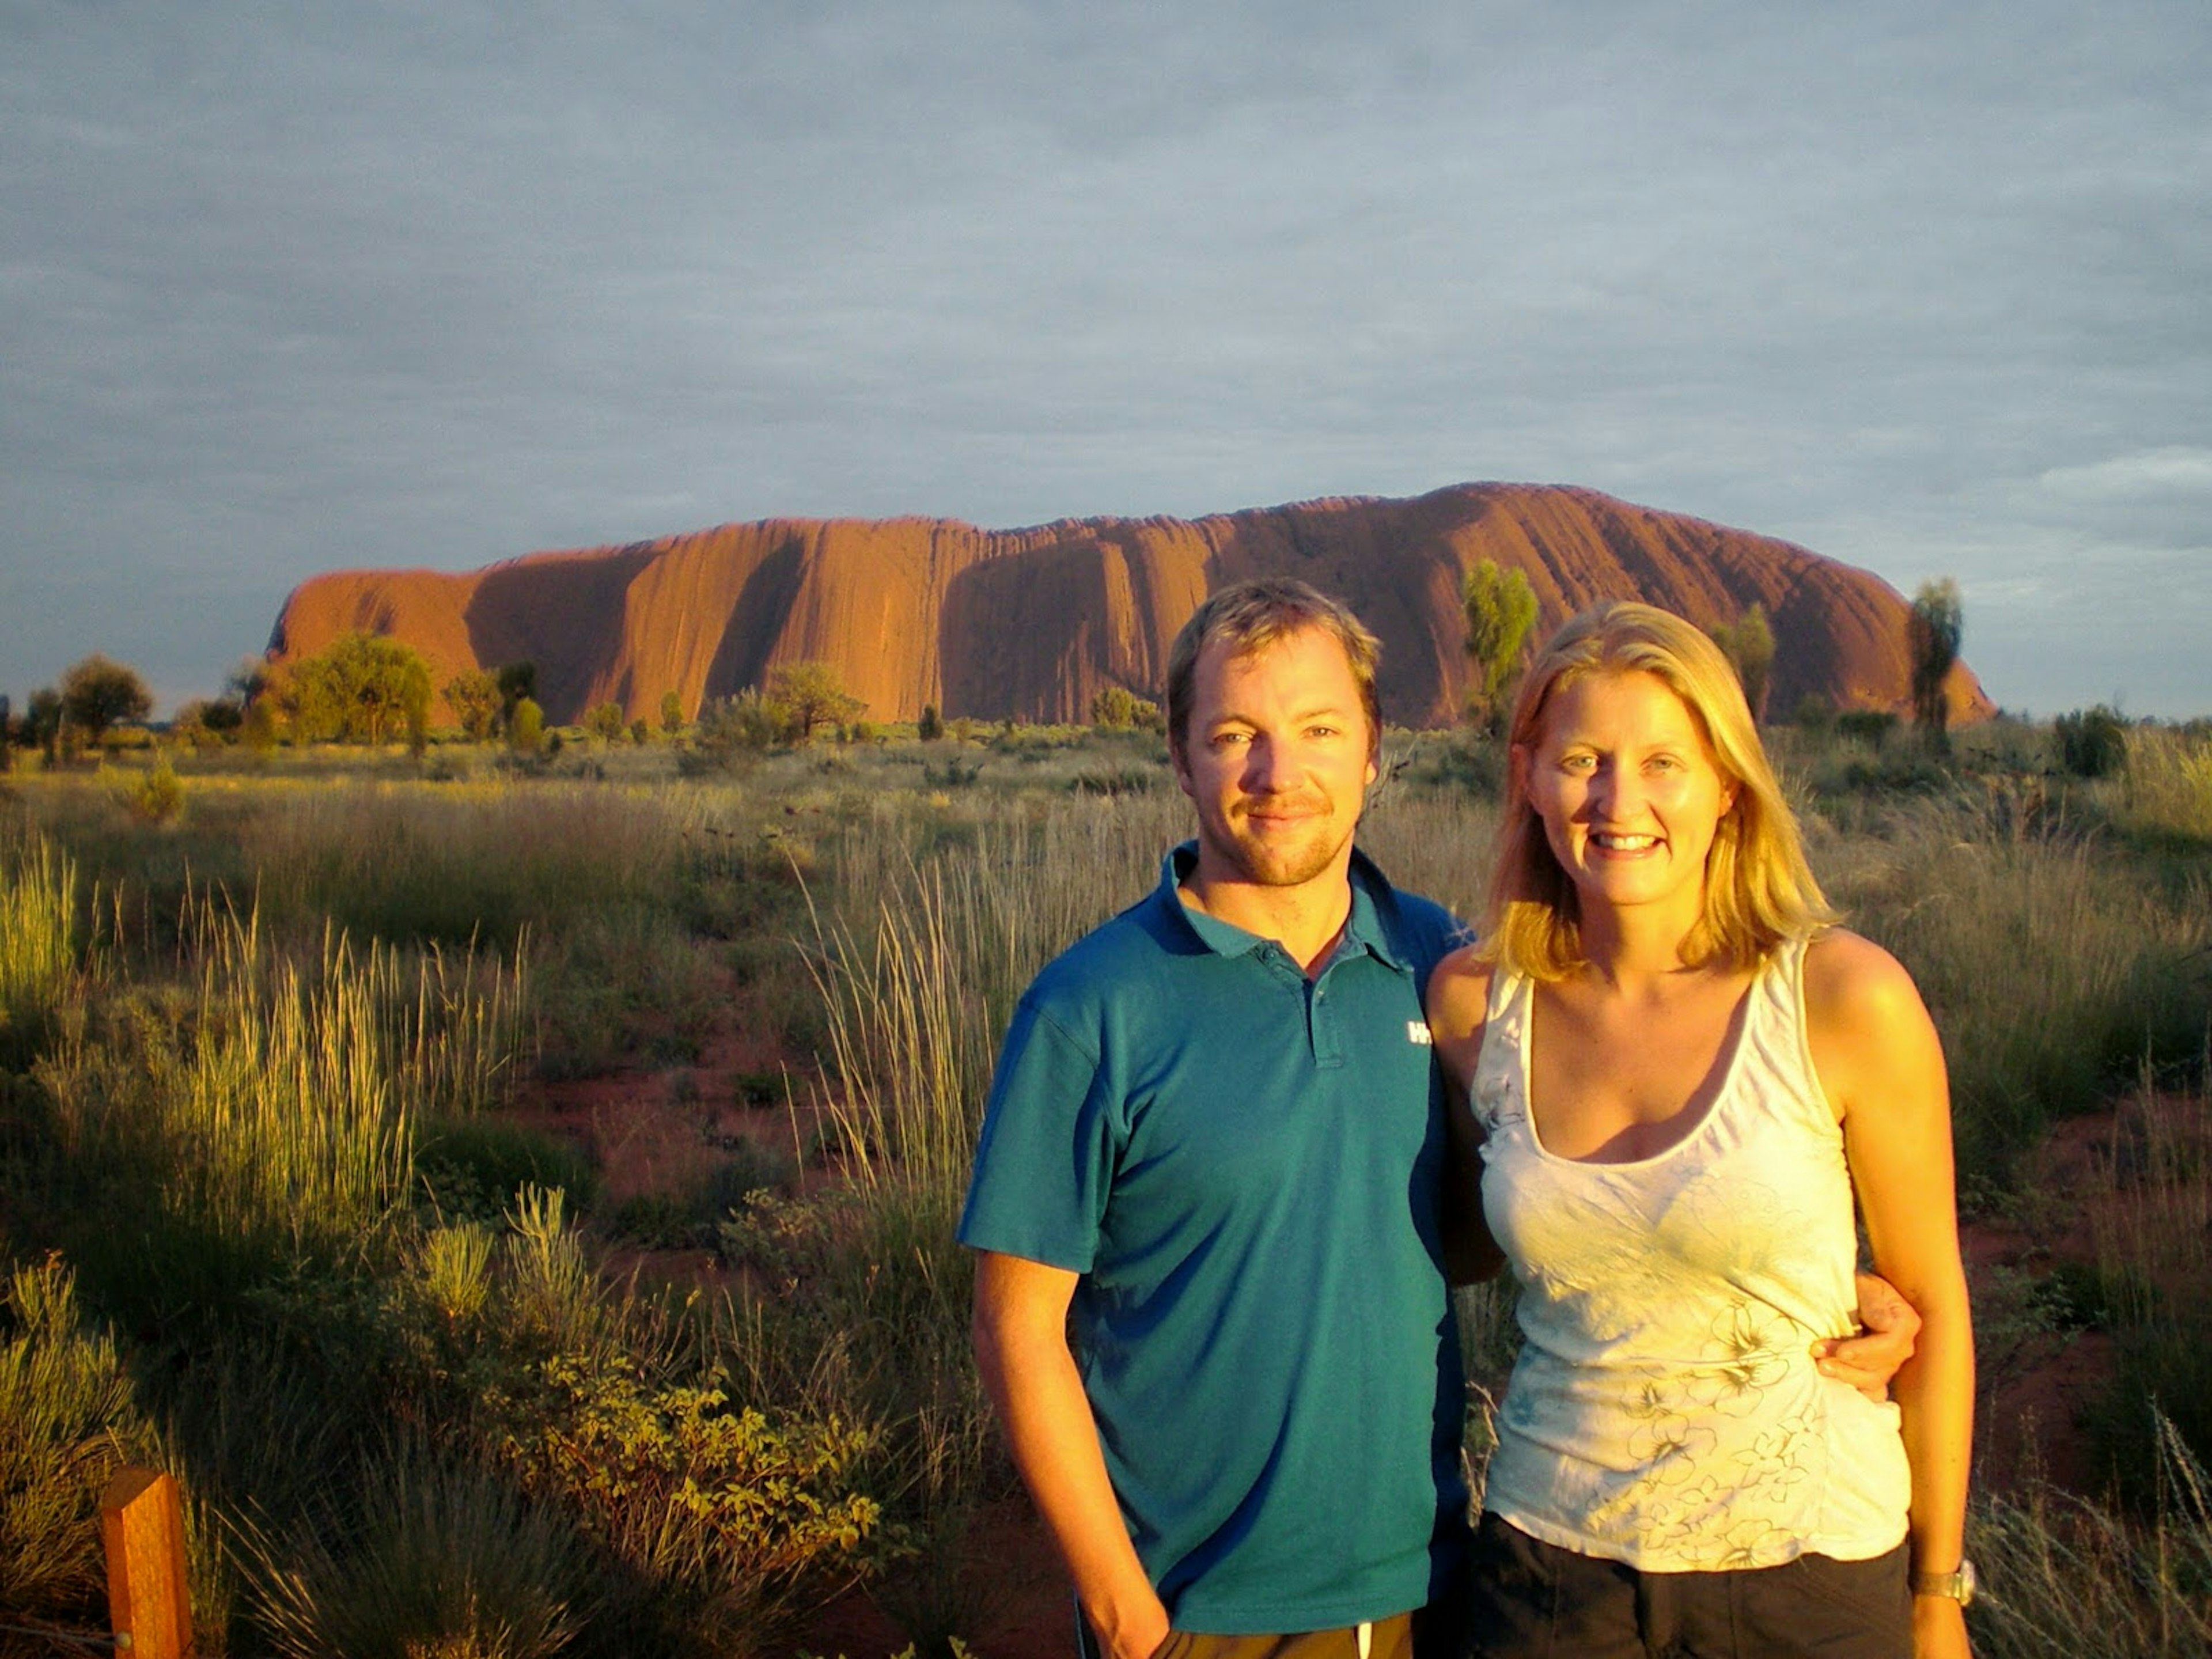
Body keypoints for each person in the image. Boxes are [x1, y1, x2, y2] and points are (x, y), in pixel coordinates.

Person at [961, 579, 1921, 1659]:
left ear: (1375, 749)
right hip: (1194, 1608)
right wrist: (1119, 1606)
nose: (1281, 775)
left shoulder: (1445, 969)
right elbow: (1016, 1323)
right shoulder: (1092, 1006)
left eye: (1321, 730)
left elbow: (1539, 1212)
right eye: (1235, 736)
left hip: (1430, 1585)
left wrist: (1823, 1284)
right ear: (1180, 758)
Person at [1426, 602, 1975, 1659]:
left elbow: (1937, 1307)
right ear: (1529, 776)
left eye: (1663, 762)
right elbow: (1467, 1246)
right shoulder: (1472, 1007)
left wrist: (1936, 1593)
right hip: (1551, 1566)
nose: (1619, 800)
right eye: (1582, 759)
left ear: (1728, 785)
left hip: (1809, 1572)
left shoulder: (1843, 999)